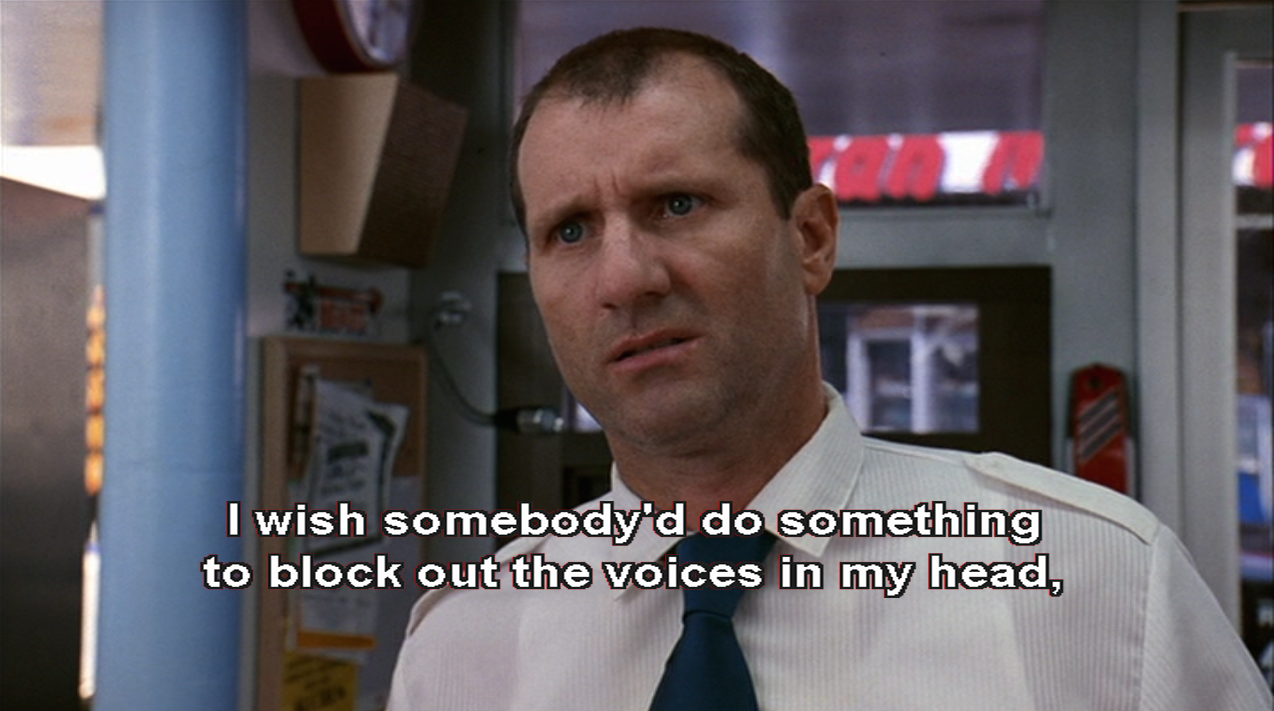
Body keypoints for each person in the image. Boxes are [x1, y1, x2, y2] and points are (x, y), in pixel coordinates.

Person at [387, 27, 1271, 710]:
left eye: (677, 203)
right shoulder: (465, 646)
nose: (623, 278)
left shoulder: (1100, 583)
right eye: (571, 230)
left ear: (811, 237)